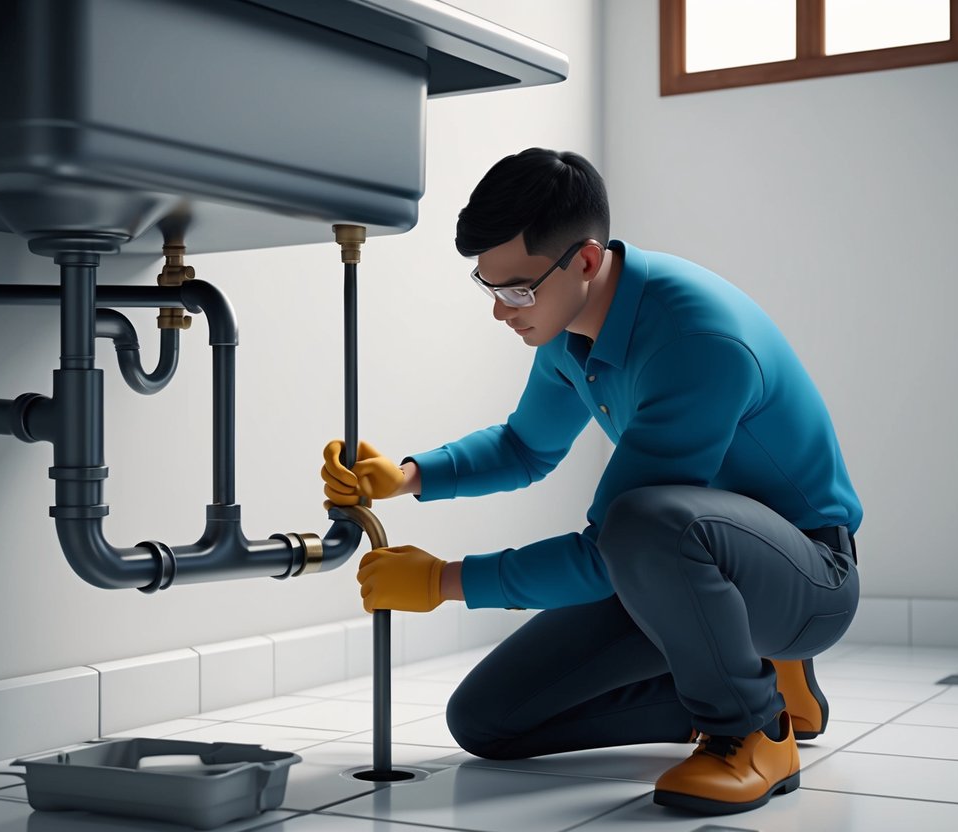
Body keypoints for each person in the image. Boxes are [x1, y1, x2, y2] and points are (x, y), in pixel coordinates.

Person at [320, 148, 861, 816]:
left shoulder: (696, 341)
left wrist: (442, 582)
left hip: (806, 579)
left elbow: (609, 549)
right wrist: (407, 476)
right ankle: (744, 677)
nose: (500, 311)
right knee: (487, 721)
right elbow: (523, 447)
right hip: (679, 571)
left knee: (643, 520)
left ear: (582, 260)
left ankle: (750, 729)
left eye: (515, 289)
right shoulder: (566, 327)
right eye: (487, 287)